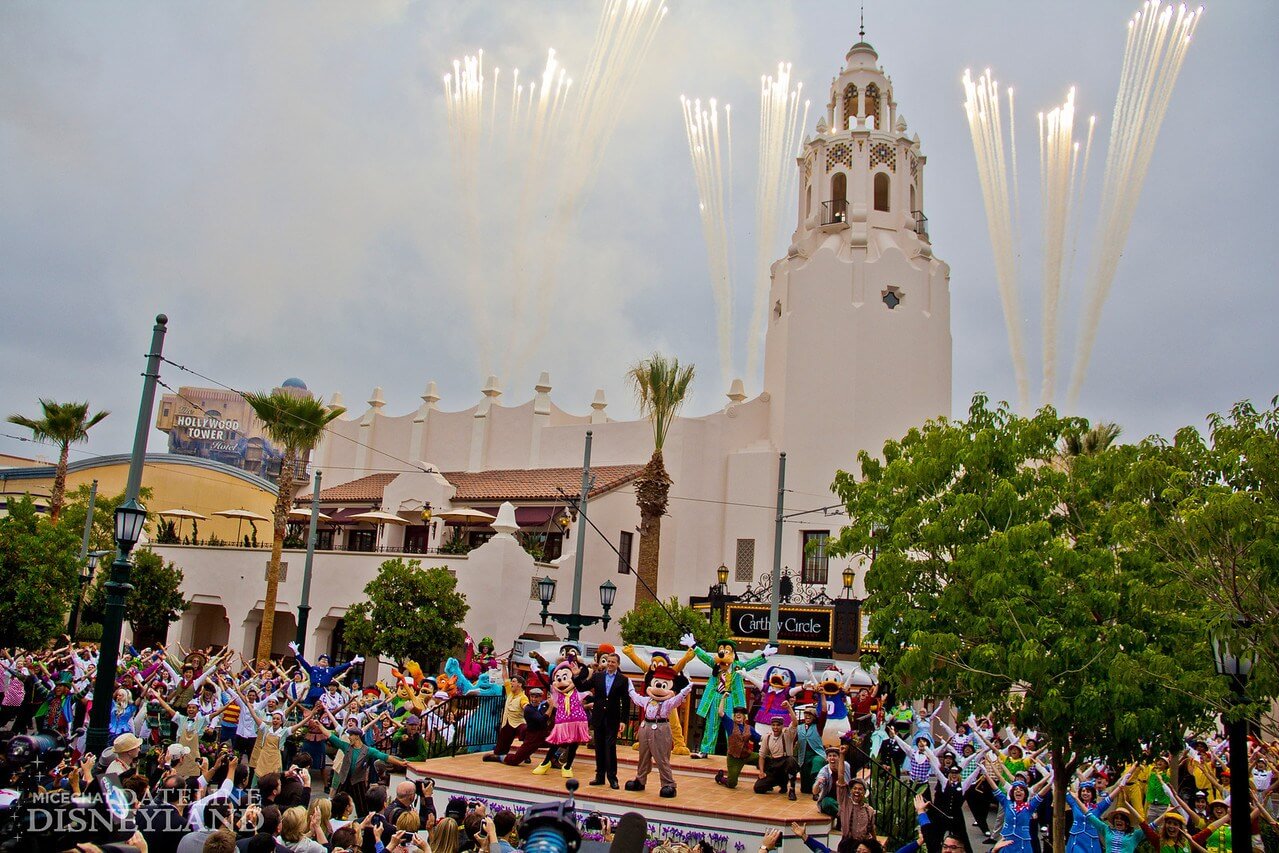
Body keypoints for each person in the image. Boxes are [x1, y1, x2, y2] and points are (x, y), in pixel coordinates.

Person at [623, 665, 693, 798]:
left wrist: (686, 690)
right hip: (646, 727)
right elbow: (635, 697)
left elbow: (677, 699)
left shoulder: (667, 703)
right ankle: (640, 780)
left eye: (663, 686)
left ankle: (668, 784)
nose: (659, 688)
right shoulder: (647, 700)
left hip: (660, 728)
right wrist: (630, 686)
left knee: (661, 758)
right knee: (643, 757)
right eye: (657, 684)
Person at [588, 652, 629, 789]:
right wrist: (577, 674)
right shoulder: (598, 676)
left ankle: (612, 777)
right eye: (609, 661)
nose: (610, 664)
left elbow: (626, 701)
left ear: (617, 664)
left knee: (610, 747)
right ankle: (599, 776)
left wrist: (623, 720)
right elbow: (583, 686)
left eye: (613, 662)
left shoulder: (622, 679)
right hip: (599, 716)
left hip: (612, 717)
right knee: (599, 747)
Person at [755, 705, 800, 798]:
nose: (775, 727)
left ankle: (792, 789)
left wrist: (788, 708)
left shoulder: (787, 734)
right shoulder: (767, 737)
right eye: (773, 725)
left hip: (785, 764)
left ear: (782, 726)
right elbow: (762, 756)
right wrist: (761, 772)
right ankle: (778, 783)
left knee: (791, 760)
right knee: (758, 788)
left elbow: (795, 722)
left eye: (778, 725)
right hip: (774, 766)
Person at [715, 706, 760, 789]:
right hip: (733, 758)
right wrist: (723, 697)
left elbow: (760, 738)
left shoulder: (749, 728)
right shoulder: (730, 724)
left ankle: (764, 780)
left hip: (747, 755)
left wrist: (770, 737)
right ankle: (720, 778)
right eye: (736, 714)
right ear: (734, 716)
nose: (738, 714)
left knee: (766, 759)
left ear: (744, 717)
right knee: (731, 784)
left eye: (741, 713)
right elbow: (720, 712)